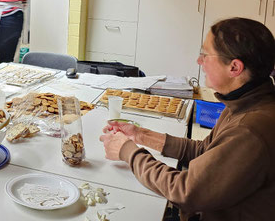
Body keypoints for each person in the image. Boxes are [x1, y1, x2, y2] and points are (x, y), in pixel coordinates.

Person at [100, 17, 275, 221]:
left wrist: (128, 152)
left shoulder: (250, 130)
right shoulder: (243, 102)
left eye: (205, 54)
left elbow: (185, 191)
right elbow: (204, 151)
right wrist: (140, 135)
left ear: (234, 68)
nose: (199, 61)